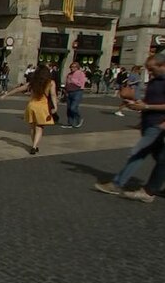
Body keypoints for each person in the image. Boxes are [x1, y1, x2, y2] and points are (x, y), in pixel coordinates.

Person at [94, 53, 165, 203]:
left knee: (138, 154)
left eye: (152, 69)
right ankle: (151, 187)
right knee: (160, 158)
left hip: (157, 124)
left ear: (162, 65)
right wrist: (134, 100)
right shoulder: (154, 81)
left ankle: (117, 183)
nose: (150, 73)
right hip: (149, 122)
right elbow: (149, 100)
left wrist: (146, 106)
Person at [0, 65, 59, 155]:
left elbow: (19, 89)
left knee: (32, 127)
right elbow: (53, 95)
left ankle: (34, 145)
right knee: (39, 128)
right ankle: (34, 146)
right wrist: (55, 106)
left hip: (32, 106)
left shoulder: (33, 82)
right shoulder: (51, 83)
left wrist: (6, 95)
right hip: (42, 107)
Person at [62, 61, 87, 128]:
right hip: (69, 91)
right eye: (71, 67)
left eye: (74, 67)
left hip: (77, 91)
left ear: (77, 67)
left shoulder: (80, 73)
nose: (72, 68)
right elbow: (67, 83)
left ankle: (78, 118)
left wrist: (73, 80)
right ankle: (70, 123)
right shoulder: (69, 74)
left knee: (73, 107)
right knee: (69, 108)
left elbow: (81, 83)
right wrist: (65, 91)